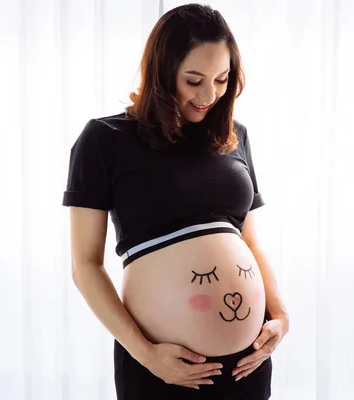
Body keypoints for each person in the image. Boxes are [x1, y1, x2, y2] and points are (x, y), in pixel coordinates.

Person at [61, 3, 289, 399]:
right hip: (163, 367)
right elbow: (86, 266)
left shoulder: (235, 136)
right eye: (194, 80)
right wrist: (146, 354)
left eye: (221, 79)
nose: (209, 95)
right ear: (162, 74)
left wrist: (280, 318)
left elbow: (252, 243)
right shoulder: (104, 140)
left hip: (248, 364)